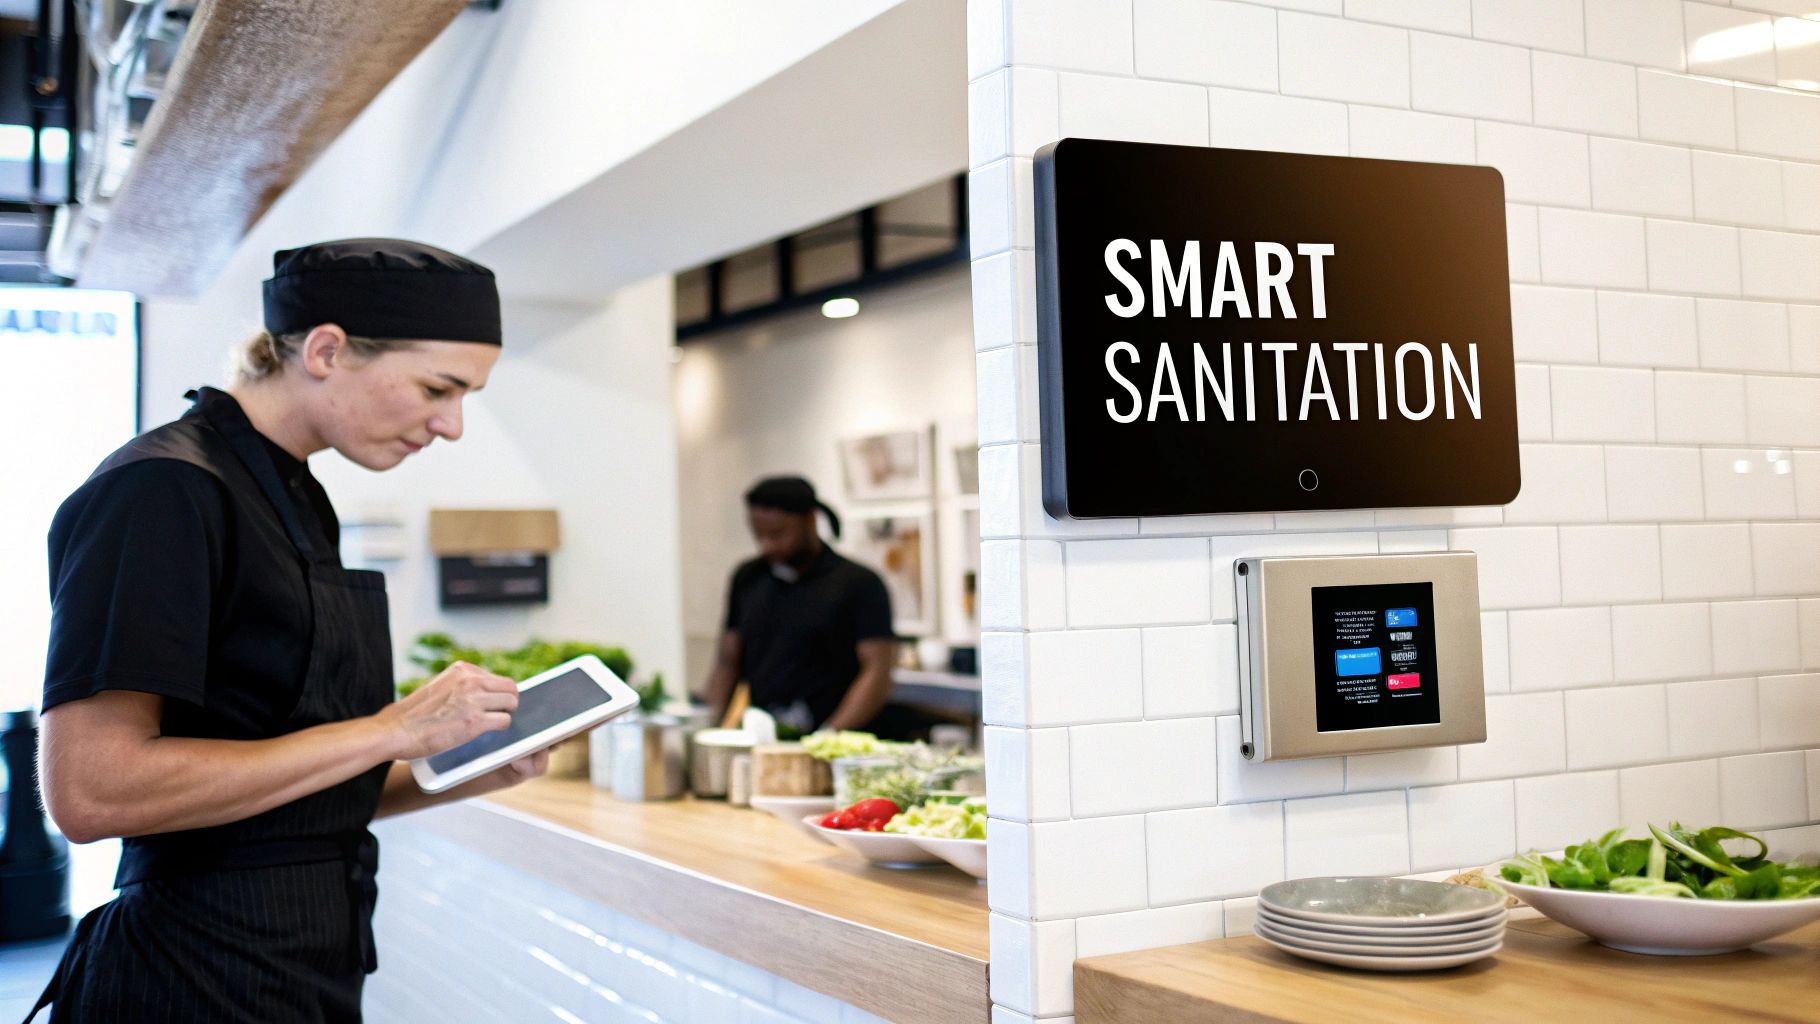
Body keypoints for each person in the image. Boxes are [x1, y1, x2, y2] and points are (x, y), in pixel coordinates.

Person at [28, 239, 546, 1024]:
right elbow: (92, 792)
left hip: (300, 974)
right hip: (187, 979)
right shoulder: (162, 489)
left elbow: (300, 798)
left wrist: (468, 765)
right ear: (327, 350)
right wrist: (385, 729)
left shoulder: (297, 497)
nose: (452, 425)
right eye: (439, 388)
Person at [702, 477, 897, 734]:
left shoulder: (858, 583)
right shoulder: (748, 578)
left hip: (836, 736)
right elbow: (728, 661)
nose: (767, 545)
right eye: (759, 535)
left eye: (778, 534)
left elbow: (877, 671)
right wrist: (707, 724)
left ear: (810, 521)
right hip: (767, 734)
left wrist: (829, 736)